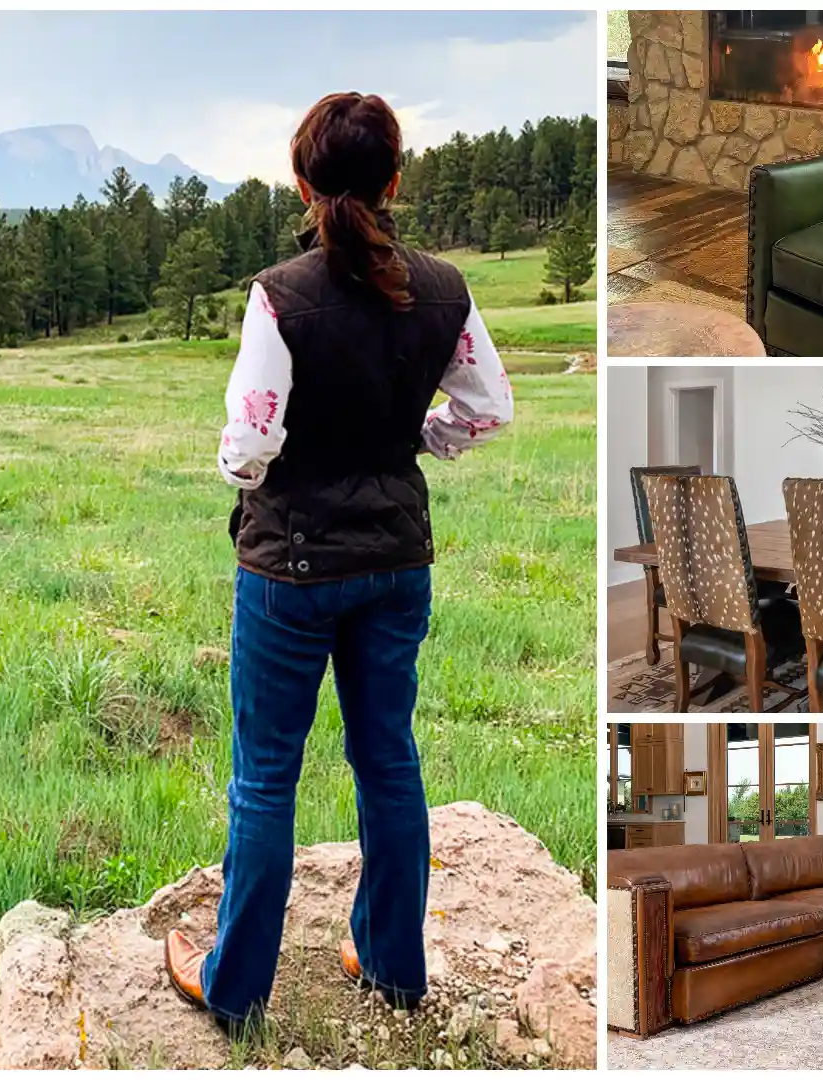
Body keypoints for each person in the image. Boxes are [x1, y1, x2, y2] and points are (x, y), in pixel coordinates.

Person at [164, 91, 512, 1030]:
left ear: (303, 183)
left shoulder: (281, 294)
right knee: (389, 760)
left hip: (290, 568)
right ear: (395, 180)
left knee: (266, 774)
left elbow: (249, 444)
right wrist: (422, 439)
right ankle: (393, 965)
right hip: (399, 558)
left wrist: (246, 466)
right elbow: (490, 409)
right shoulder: (446, 288)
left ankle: (234, 986)